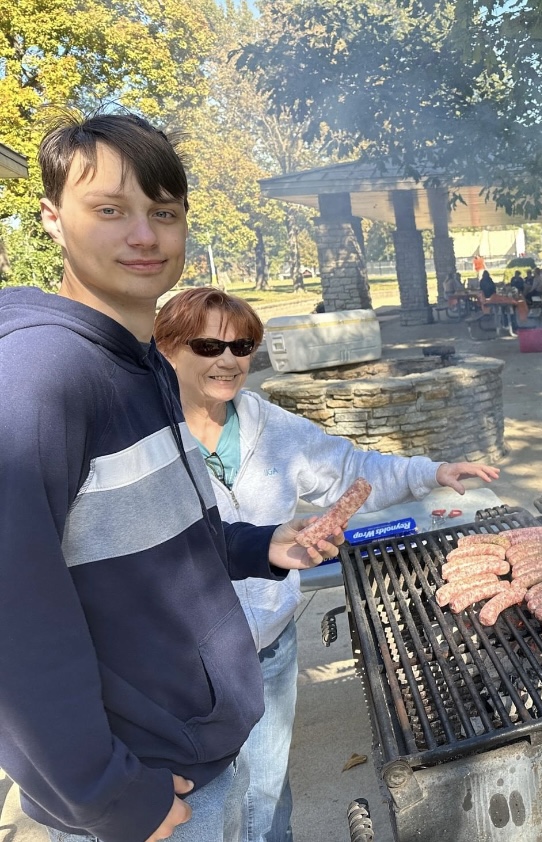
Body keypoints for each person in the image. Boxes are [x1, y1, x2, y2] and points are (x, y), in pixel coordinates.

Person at [0, 111, 341, 842]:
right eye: (110, 210)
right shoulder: (39, 377)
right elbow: (12, 613)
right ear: (54, 220)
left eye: (163, 212)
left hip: (206, 748)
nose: (145, 236)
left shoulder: (145, 364)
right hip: (147, 792)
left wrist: (257, 545)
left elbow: (158, 533)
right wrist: (107, 797)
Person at [153, 287, 501, 842]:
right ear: (168, 348)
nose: (228, 360)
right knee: (208, 809)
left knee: (267, 792)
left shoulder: (268, 424)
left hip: (268, 643)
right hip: (180, 666)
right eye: (208, 344)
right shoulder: (140, 438)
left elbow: (348, 468)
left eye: (242, 347)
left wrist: (429, 473)